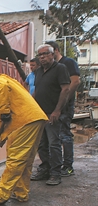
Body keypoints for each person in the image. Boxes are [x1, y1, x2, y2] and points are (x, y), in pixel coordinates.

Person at [0, 70, 47, 205]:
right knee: (25, 160)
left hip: (25, 121)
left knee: (15, 159)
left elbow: (1, 87)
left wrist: (4, 111)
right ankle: (21, 192)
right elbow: (6, 127)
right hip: (34, 118)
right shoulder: (11, 81)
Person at [30, 44, 71, 186]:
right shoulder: (39, 71)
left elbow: (65, 89)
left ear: (52, 54)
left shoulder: (60, 68)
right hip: (40, 114)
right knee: (42, 144)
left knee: (54, 144)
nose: (42, 57)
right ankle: (45, 168)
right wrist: (31, 106)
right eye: (40, 54)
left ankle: (55, 173)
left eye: (45, 54)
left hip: (53, 113)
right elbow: (37, 90)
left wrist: (57, 110)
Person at [45, 40, 81, 177]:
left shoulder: (68, 63)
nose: (44, 56)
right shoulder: (52, 67)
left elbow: (75, 81)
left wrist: (65, 100)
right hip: (52, 106)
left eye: (48, 52)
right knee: (54, 138)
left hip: (64, 107)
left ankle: (68, 166)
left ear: (55, 50)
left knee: (64, 135)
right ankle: (54, 165)